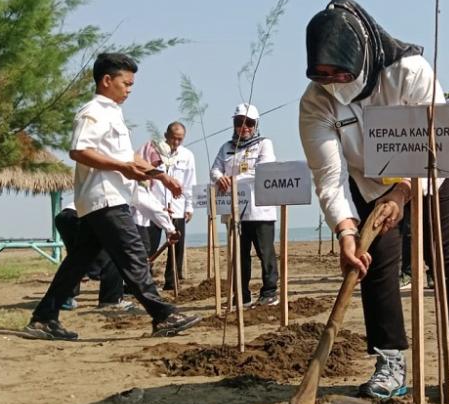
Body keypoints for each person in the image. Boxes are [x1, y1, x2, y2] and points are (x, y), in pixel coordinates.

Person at [299, 0, 449, 401]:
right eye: (321, 74)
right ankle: (390, 359)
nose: (332, 82)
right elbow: (330, 179)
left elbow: (431, 144)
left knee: (442, 253)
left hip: (432, 169)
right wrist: (346, 231)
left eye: (339, 71)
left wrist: (403, 191)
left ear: (359, 55)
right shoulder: (315, 102)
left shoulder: (408, 72)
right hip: (369, 182)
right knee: (376, 264)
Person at [23, 53, 201, 340]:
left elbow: (128, 157)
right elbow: (79, 150)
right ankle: (163, 315)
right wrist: (122, 167)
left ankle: (44, 318)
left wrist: (162, 177)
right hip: (104, 199)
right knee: (133, 256)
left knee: (78, 261)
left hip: (109, 199)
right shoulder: (92, 111)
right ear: (107, 80)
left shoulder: (113, 112)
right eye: (126, 83)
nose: (129, 90)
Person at [209, 103, 279, 308]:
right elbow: (214, 170)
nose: (244, 127)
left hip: (260, 210)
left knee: (265, 253)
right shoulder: (226, 147)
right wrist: (220, 178)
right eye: (239, 122)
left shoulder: (264, 144)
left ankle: (269, 292)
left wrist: (232, 179)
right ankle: (242, 295)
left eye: (248, 123)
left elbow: (262, 171)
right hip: (234, 211)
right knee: (239, 256)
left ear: (256, 124)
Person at [145, 122, 197, 290]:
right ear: (166, 135)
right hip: (155, 206)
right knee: (149, 244)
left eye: (179, 139)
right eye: (173, 138)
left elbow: (189, 183)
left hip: (177, 206)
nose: (175, 142)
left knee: (177, 245)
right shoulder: (154, 151)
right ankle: (144, 280)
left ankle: (171, 281)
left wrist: (189, 207)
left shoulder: (187, 155)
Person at [54, 199, 129, 311]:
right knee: (114, 256)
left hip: (64, 217)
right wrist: (166, 228)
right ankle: (110, 300)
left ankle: (64, 298)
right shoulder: (127, 194)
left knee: (77, 257)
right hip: (82, 217)